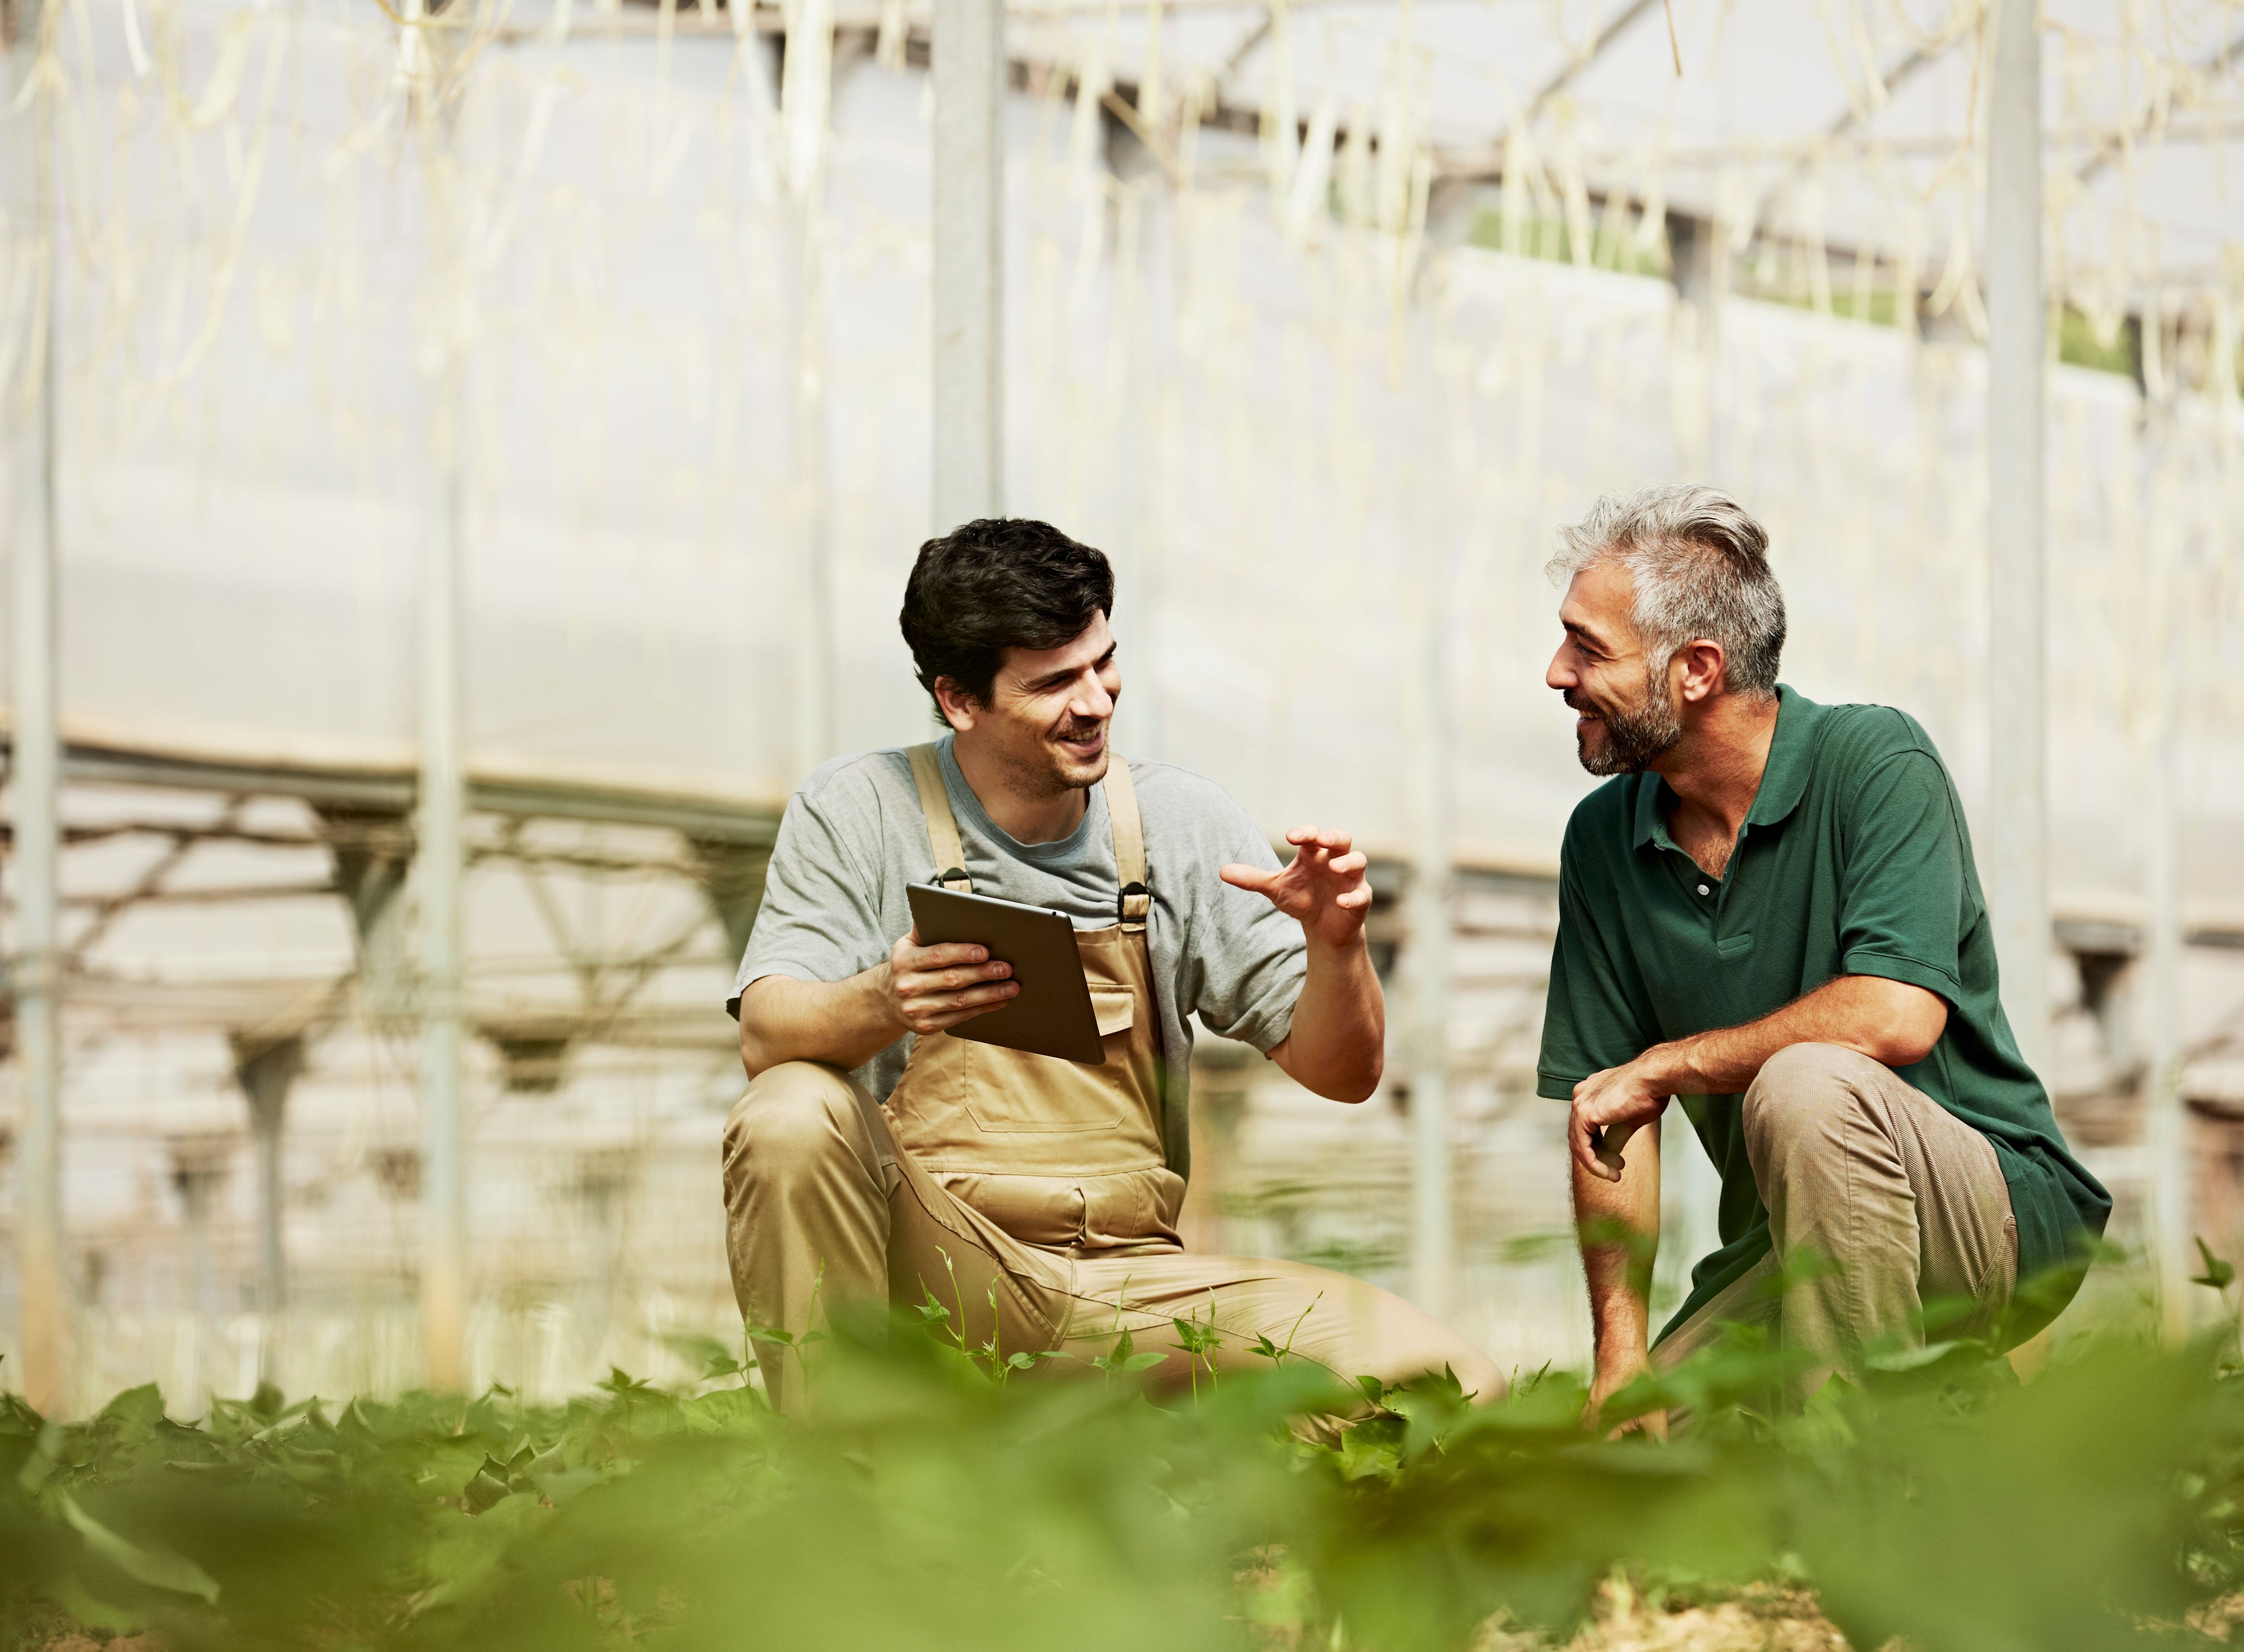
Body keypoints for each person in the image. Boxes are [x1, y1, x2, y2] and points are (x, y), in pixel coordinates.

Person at [723, 517, 1501, 1412]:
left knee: (1455, 1390)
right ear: (959, 700)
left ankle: (1166, 1481)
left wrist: (1337, 948)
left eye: (1103, 662)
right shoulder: (859, 806)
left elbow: (1345, 1072)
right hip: (949, 1261)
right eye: (1055, 682)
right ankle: (847, 1500)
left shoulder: (1181, 821)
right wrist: (887, 996)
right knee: (790, 1108)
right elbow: (766, 1031)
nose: (1095, 700)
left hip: (1134, 1288)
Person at [1536, 484, 2110, 1422]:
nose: (1558, 672)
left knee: (1805, 1080)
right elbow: (1609, 1108)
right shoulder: (1602, 841)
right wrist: (1621, 1356)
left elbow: (1892, 1014)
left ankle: (1865, 1481)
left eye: (1588, 647)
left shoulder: (1875, 762)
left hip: (1991, 1214)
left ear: (1696, 669)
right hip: (1785, 1254)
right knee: (1619, 1482)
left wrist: (1669, 1065)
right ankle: (1945, 1418)